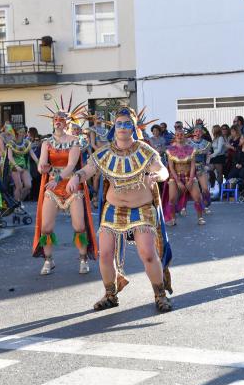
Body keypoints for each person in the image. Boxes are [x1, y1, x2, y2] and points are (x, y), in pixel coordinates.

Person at [66, 106, 173, 312]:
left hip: (140, 209)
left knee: (148, 253)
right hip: (113, 208)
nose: (123, 127)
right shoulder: (104, 153)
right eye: (119, 123)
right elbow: (88, 170)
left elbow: (163, 170)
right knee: (105, 254)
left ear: (133, 127)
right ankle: (110, 295)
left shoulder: (145, 151)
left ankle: (160, 295)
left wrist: (157, 177)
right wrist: (76, 177)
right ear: (114, 127)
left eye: (127, 124)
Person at [32, 100, 97, 276]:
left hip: (71, 185)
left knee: (79, 226)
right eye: (56, 119)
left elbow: (71, 165)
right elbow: (42, 163)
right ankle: (48, 260)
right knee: (46, 227)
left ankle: (83, 258)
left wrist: (59, 177)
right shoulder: (47, 142)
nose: (58, 121)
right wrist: (42, 168)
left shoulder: (75, 141)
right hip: (53, 186)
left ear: (68, 122)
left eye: (62, 119)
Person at [163, 128, 206, 226]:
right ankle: (173, 219)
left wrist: (191, 180)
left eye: (181, 134)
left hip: (189, 176)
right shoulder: (170, 150)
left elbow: (192, 166)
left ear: (184, 136)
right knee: (172, 199)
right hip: (175, 178)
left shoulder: (191, 149)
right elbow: (171, 167)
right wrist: (178, 181)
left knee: (197, 198)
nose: (179, 136)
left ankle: (200, 218)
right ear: (175, 136)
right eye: (177, 135)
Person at [7, 124, 39, 206]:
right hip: (14, 166)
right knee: (19, 186)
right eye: (21, 131)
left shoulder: (26, 142)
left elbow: (32, 153)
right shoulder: (11, 143)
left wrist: (38, 162)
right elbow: (10, 157)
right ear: (17, 132)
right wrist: (16, 166)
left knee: (28, 186)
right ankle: (17, 204)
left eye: (24, 131)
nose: (23, 133)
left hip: (24, 166)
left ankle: (18, 201)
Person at [189, 125, 213, 212]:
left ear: (202, 133)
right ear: (193, 133)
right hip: (190, 167)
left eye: (199, 131)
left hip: (201, 167)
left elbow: (208, 155)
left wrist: (207, 164)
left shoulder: (206, 143)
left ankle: (205, 205)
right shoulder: (187, 143)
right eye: (196, 131)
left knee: (205, 188)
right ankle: (182, 207)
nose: (198, 133)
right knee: (185, 188)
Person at [210, 125, 226, 189]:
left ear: (216, 130)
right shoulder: (214, 138)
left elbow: (219, 150)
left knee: (219, 173)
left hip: (219, 157)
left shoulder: (220, 138)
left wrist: (211, 155)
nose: (212, 131)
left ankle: (220, 188)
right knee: (210, 171)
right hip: (214, 157)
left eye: (213, 129)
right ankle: (212, 186)